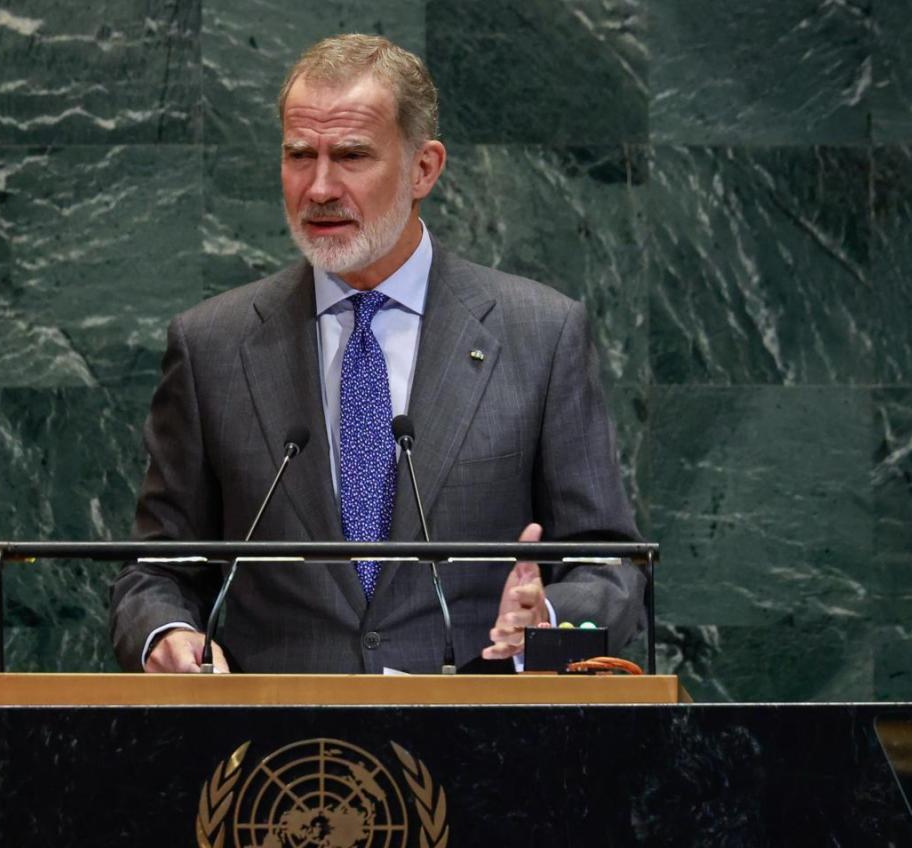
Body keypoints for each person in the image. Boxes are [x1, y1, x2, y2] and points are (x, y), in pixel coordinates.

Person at [108, 34, 646, 674]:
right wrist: (164, 633)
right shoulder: (212, 346)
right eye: (299, 155)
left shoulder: (540, 333)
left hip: (483, 740)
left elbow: (609, 561)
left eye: (352, 156)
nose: (319, 187)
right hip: (275, 755)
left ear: (424, 168)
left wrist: (549, 620)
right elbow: (155, 571)